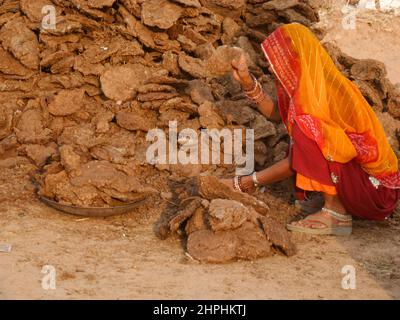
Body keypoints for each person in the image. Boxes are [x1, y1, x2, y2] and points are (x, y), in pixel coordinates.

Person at [222, 23, 400, 236]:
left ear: (298, 60)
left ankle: (336, 213)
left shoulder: (336, 92)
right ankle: (334, 202)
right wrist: (247, 82)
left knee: (308, 132)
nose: (271, 67)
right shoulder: (310, 90)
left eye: (278, 60)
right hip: (363, 185)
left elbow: (300, 158)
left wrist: (244, 183)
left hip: (378, 192)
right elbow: (276, 114)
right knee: (306, 132)